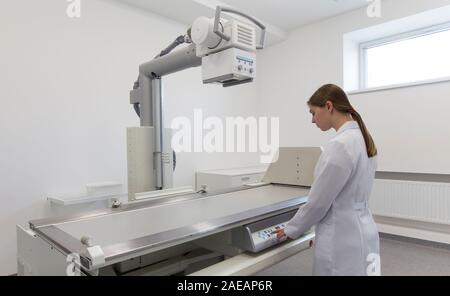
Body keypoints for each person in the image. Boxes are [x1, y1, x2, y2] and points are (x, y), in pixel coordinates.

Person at [274, 84, 380, 276]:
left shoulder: (339, 145)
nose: (312, 120)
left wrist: (291, 229)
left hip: (341, 237)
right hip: (365, 230)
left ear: (329, 106)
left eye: (313, 113)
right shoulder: (364, 138)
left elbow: (318, 203)